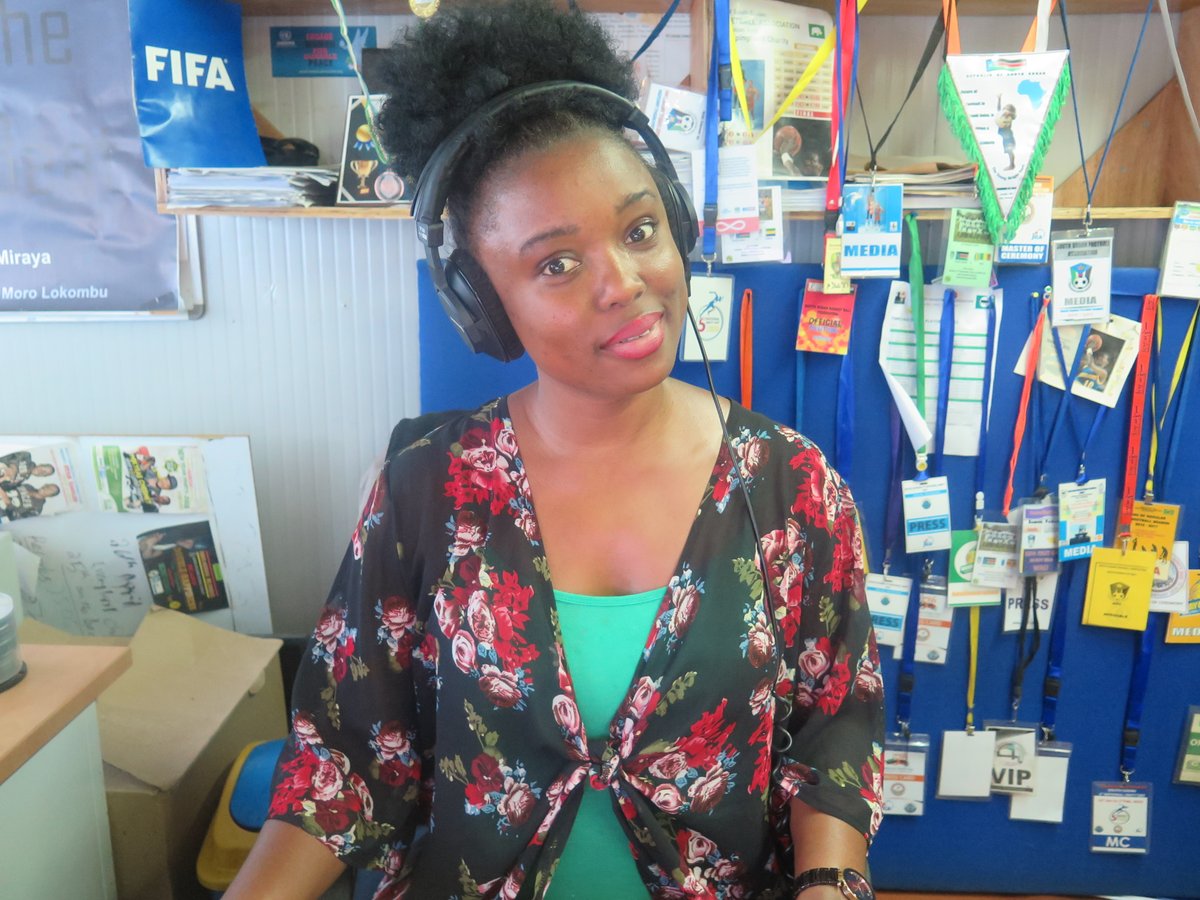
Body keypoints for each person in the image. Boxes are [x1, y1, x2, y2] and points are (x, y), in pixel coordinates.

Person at [226, 3, 882, 898]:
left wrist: (830, 883)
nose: (624, 283)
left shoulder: (792, 488)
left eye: (639, 230)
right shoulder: (427, 487)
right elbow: (345, 760)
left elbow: (835, 727)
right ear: (484, 303)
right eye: (557, 264)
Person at [996, 103, 1017, 171]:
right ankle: (1011, 164)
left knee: (1010, 151)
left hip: (1009, 138)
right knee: (1008, 152)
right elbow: (999, 111)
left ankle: (1012, 165)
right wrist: (999, 100)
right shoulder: (1003, 116)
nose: (1004, 111)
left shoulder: (1009, 118)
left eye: (1006, 109)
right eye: (1004, 109)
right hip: (1005, 138)